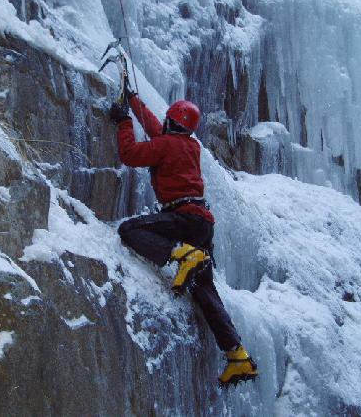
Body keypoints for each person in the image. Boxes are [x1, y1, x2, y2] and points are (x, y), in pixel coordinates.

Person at [110, 90, 258, 387]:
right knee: (203, 290)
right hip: (202, 223)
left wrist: (124, 121)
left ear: (171, 122)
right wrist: (134, 100)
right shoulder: (188, 146)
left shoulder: (166, 144)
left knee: (129, 230)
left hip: (183, 219)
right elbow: (156, 129)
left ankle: (181, 253)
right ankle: (237, 355)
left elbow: (130, 154)